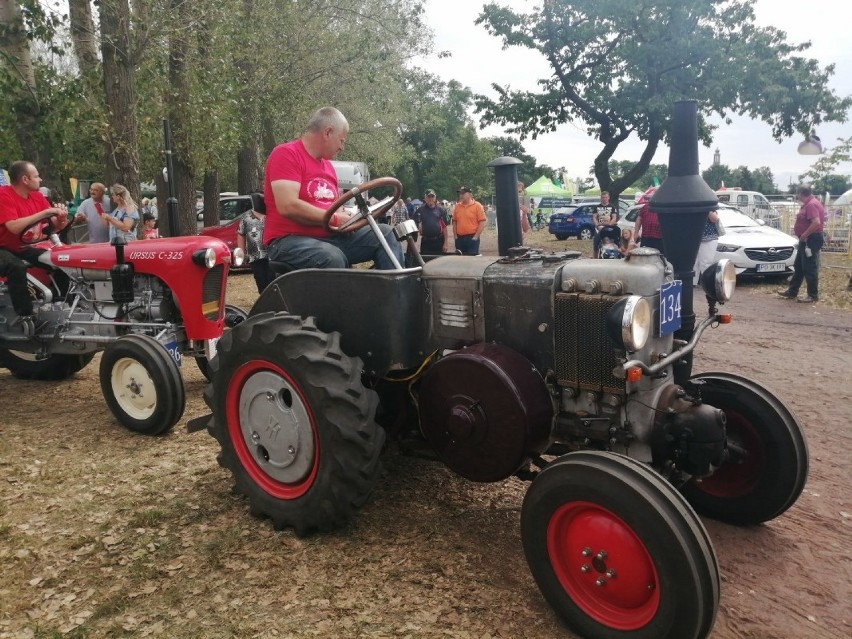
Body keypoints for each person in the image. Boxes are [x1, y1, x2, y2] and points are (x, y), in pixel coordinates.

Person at [263, 106, 404, 270]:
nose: (342, 147)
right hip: (288, 240)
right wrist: (336, 220)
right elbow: (288, 206)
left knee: (386, 234)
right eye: (342, 140)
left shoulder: (328, 167)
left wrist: (349, 220)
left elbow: (335, 207)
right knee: (332, 257)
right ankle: (343, 295)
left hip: (330, 238)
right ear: (327, 133)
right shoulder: (286, 154)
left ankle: (395, 293)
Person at [0, 160, 72, 323]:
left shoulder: (37, 197)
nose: (40, 180)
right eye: (37, 176)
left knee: (61, 261)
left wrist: (61, 219)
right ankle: (25, 316)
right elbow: (13, 227)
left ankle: (60, 305)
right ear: (25, 179)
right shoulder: (3, 195)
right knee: (15, 266)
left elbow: (51, 227)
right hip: (2, 247)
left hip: (23, 246)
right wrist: (45, 212)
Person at [778, 185, 826, 303]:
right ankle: (792, 291)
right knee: (799, 266)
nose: (796, 195)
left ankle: (813, 295)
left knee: (809, 267)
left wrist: (804, 235)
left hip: (810, 239)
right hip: (806, 239)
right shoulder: (810, 203)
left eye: (797, 193)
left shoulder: (811, 205)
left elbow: (816, 222)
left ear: (800, 193)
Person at [237, 197, 273, 293]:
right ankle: (264, 300)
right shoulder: (246, 217)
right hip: (255, 256)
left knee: (272, 279)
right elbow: (241, 234)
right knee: (260, 279)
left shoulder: (271, 214)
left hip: (272, 254)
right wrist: (242, 253)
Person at [413, 189, 449, 255]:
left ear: (435, 198)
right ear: (425, 198)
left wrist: (446, 243)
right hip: (425, 242)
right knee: (425, 262)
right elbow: (415, 226)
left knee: (438, 262)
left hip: (439, 241)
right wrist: (413, 243)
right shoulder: (420, 210)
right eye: (428, 197)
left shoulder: (441, 210)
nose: (430, 199)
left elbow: (444, 228)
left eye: (432, 197)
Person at [451, 186, 486, 255]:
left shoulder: (477, 206)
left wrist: (476, 236)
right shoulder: (457, 206)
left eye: (463, 193)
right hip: (459, 238)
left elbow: (482, 222)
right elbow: (454, 221)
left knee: (471, 261)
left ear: (470, 194)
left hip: (472, 238)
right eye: (460, 193)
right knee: (460, 260)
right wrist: (455, 236)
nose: (461, 195)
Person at [693, 209, 721, 286]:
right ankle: (692, 283)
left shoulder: (709, 206)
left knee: (706, 263)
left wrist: (707, 209)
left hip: (708, 238)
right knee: (693, 263)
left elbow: (715, 219)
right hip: (693, 238)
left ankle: (707, 284)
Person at [592, 191, 620, 258]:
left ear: (608, 198)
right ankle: (595, 258)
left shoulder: (612, 207)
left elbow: (614, 218)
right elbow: (594, 217)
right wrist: (597, 225)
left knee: (616, 240)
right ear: (601, 198)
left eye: (606, 197)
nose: (604, 199)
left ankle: (618, 254)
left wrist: (609, 225)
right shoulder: (596, 207)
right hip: (599, 227)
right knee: (596, 242)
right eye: (603, 197)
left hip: (610, 227)